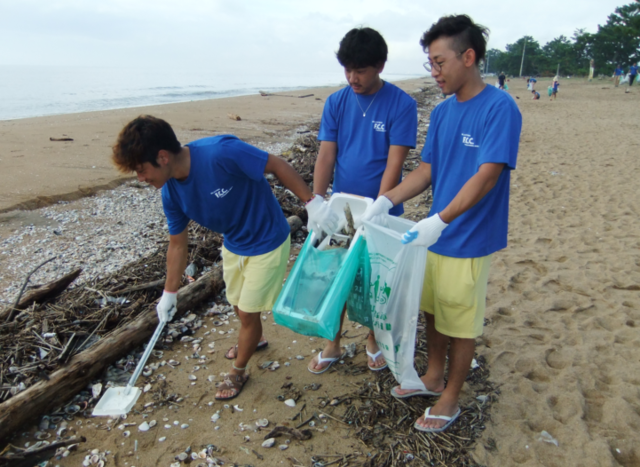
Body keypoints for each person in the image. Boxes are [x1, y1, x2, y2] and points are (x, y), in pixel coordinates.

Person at [362, 14, 521, 433]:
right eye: (429, 64)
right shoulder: (445, 111)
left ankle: (450, 399)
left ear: (468, 57)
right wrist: (387, 199)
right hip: (434, 232)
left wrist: (442, 219)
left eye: (439, 62)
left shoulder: (500, 108)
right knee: (432, 310)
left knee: (460, 323)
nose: (434, 72)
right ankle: (433, 377)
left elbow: (488, 173)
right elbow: (427, 169)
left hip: (467, 235)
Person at [111, 115, 339, 401]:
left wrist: (312, 202)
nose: (141, 179)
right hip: (234, 244)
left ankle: (239, 370)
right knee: (236, 303)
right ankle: (256, 338)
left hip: (268, 239)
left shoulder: (221, 153)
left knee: (247, 312)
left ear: (162, 156)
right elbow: (178, 245)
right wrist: (169, 293)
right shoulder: (171, 193)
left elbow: (277, 165)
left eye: (141, 170)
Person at [308, 27, 418, 375]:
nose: (352, 77)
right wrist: (317, 201)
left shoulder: (402, 104)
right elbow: (326, 155)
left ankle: (373, 339)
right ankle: (333, 342)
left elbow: (394, 161)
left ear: (380, 66)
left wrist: (379, 206)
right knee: (335, 276)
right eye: (347, 69)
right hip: (342, 210)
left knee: (376, 281)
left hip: (381, 210)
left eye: (361, 70)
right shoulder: (337, 102)